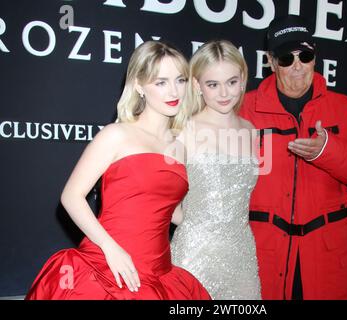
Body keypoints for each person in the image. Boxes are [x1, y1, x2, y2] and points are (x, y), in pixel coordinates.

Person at [25, 41, 211, 300]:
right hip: (108, 264)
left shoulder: (179, 147)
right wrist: (111, 249)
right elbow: (71, 196)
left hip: (160, 271)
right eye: (161, 82)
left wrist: (218, 220)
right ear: (138, 85)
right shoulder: (117, 135)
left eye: (180, 80)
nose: (173, 91)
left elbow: (174, 213)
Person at [239, 16, 347, 300]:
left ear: (314, 59)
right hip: (264, 254)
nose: (296, 65)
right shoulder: (245, 108)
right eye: (285, 58)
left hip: (325, 258)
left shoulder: (345, 109)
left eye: (304, 56)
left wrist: (327, 150)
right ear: (271, 61)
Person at [170, 40, 261, 300]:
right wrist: (198, 228)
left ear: (243, 79)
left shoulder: (251, 130)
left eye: (232, 82)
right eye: (213, 84)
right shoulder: (183, 130)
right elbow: (164, 201)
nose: (224, 93)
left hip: (242, 255)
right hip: (195, 256)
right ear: (197, 86)